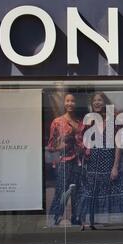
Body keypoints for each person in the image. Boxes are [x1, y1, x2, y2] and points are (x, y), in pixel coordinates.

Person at [78, 91, 123, 230]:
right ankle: (88, 221)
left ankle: (108, 222)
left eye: (99, 100)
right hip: (92, 162)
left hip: (109, 160)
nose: (97, 102)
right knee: (91, 192)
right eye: (94, 100)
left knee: (111, 190)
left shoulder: (113, 119)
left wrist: (115, 166)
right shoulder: (89, 120)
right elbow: (81, 140)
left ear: (105, 102)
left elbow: (118, 144)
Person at [47, 92, 84, 226]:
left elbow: (83, 144)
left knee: (77, 192)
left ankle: (76, 218)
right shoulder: (57, 122)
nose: (70, 103)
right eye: (67, 101)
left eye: (73, 101)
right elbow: (51, 146)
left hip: (78, 162)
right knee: (61, 191)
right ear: (64, 103)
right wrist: (61, 145)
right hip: (64, 162)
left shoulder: (80, 123)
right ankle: (55, 218)